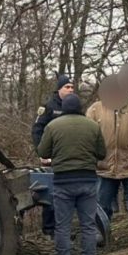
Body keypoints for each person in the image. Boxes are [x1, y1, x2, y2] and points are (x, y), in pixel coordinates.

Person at [37, 94, 107, 255]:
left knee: (63, 228)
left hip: (63, 183)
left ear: (64, 108)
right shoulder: (92, 126)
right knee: (88, 226)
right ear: (81, 108)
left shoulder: (53, 126)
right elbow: (102, 153)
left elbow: (43, 152)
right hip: (87, 181)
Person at [86, 76, 128, 242]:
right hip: (104, 165)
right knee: (102, 201)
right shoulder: (95, 109)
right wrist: (96, 153)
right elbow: (87, 133)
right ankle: (100, 233)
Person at [32, 75, 76, 236]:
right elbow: (37, 130)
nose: (70, 90)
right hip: (51, 157)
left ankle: (64, 228)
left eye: (72, 87)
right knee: (51, 193)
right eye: (67, 87)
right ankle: (49, 229)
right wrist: (41, 153)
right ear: (59, 89)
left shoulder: (74, 107)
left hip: (69, 157)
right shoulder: (48, 107)